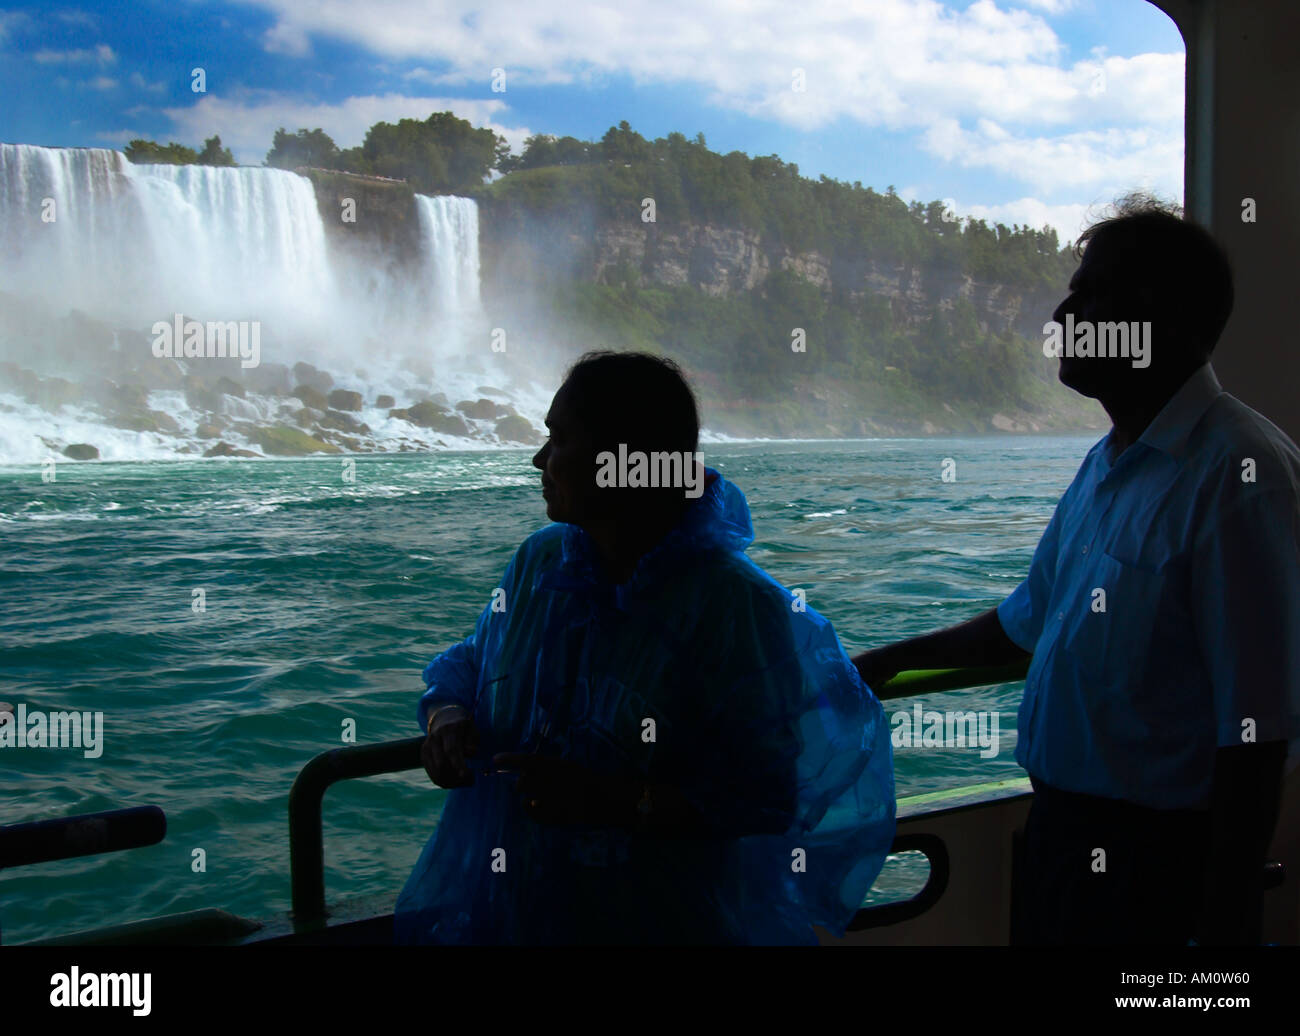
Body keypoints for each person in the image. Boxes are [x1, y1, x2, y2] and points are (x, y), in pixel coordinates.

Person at [854, 193, 1300, 945]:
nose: (1062, 316)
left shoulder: (1241, 475)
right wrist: (878, 665)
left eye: (1089, 291)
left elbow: (1255, 732)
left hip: (1160, 872)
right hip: (1067, 840)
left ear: (1157, 313)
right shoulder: (1108, 463)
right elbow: (1023, 627)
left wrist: (1223, 936)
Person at [395, 351, 895, 945]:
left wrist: (615, 802)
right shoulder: (541, 563)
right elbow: (472, 661)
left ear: (622, 460)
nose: (538, 460)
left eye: (557, 439)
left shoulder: (736, 607)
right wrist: (447, 715)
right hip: (522, 916)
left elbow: (769, 796)